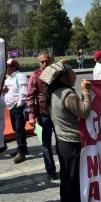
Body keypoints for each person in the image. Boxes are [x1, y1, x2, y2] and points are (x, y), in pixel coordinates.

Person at [40, 60, 92, 202]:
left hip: (62, 142)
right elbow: (84, 112)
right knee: (74, 182)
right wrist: (86, 92)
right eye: (70, 71)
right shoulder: (67, 94)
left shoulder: (53, 92)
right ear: (63, 78)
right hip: (72, 144)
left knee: (67, 180)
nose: (74, 73)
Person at [26, 51, 58, 180]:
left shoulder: (57, 73)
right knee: (46, 144)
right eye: (42, 62)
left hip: (58, 114)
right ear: (39, 62)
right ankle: (51, 172)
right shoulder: (35, 75)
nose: (45, 64)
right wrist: (32, 116)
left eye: (47, 61)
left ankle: (66, 169)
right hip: (43, 115)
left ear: (51, 61)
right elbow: (30, 97)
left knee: (62, 143)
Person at [4, 59, 29, 163]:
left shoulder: (20, 76)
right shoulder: (8, 78)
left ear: (14, 67)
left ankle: (21, 153)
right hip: (11, 107)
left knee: (19, 129)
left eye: (8, 66)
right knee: (16, 129)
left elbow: (23, 91)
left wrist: (19, 104)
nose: (6, 68)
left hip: (17, 107)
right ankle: (22, 148)